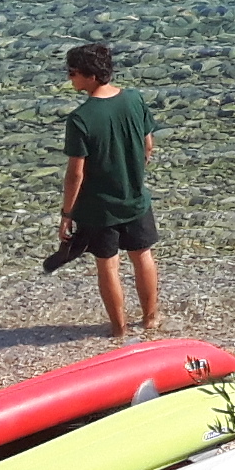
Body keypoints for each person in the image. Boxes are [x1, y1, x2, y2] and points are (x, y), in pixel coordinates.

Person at [58, 42, 159, 338]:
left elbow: (76, 173)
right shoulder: (134, 99)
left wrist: (67, 213)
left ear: (90, 76)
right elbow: (148, 144)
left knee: (108, 267)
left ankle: (119, 330)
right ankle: (151, 320)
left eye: (72, 72)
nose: (69, 78)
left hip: (99, 208)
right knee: (143, 257)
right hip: (136, 199)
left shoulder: (80, 119)